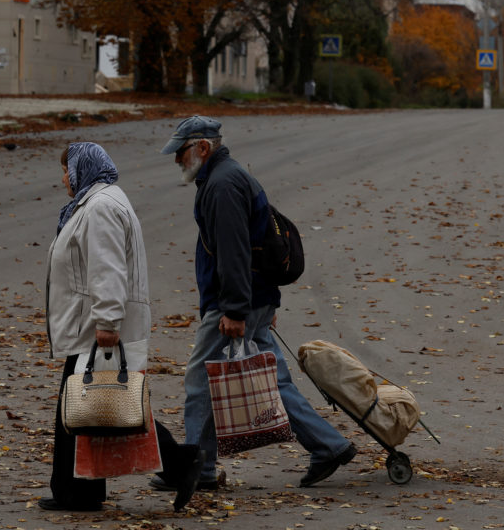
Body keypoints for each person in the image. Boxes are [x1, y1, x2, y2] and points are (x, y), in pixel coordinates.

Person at [151, 116, 356, 493]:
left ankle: (193, 468)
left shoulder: (223, 183)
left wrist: (234, 310)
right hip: (251, 298)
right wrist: (259, 302)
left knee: (201, 382)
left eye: (180, 152)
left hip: (234, 304)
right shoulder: (224, 176)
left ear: (202, 147)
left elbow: (235, 251)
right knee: (271, 380)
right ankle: (329, 446)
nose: (177, 160)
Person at [43, 142, 203, 512]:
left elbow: (107, 268)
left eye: (68, 170)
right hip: (93, 321)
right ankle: (81, 491)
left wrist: (107, 321)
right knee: (102, 406)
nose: (65, 178)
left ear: (84, 168)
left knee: (96, 407)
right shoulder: (97, 201)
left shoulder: (100, 208)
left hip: (97, 325)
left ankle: (177, 464)